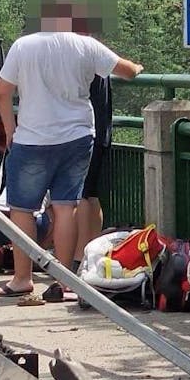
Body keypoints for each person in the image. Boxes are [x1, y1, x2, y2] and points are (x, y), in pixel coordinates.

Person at [0, 0, 142, 303]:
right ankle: (66, 280)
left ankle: (22, 279)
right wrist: (138, 67)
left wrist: (10, 129)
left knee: (22, 210)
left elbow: (3, 92)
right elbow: (127, 71)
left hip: (32, 137)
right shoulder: (86, 45)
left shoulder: (23, 46)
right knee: (65, 208)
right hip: (76, 137)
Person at [76, 75, 113, 257]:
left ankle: (79, 256)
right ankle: (93, 253)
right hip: (102, 134)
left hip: (85, 134)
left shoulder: (83, 56)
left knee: (80, 195)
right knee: (92, 194)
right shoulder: (98, 57)